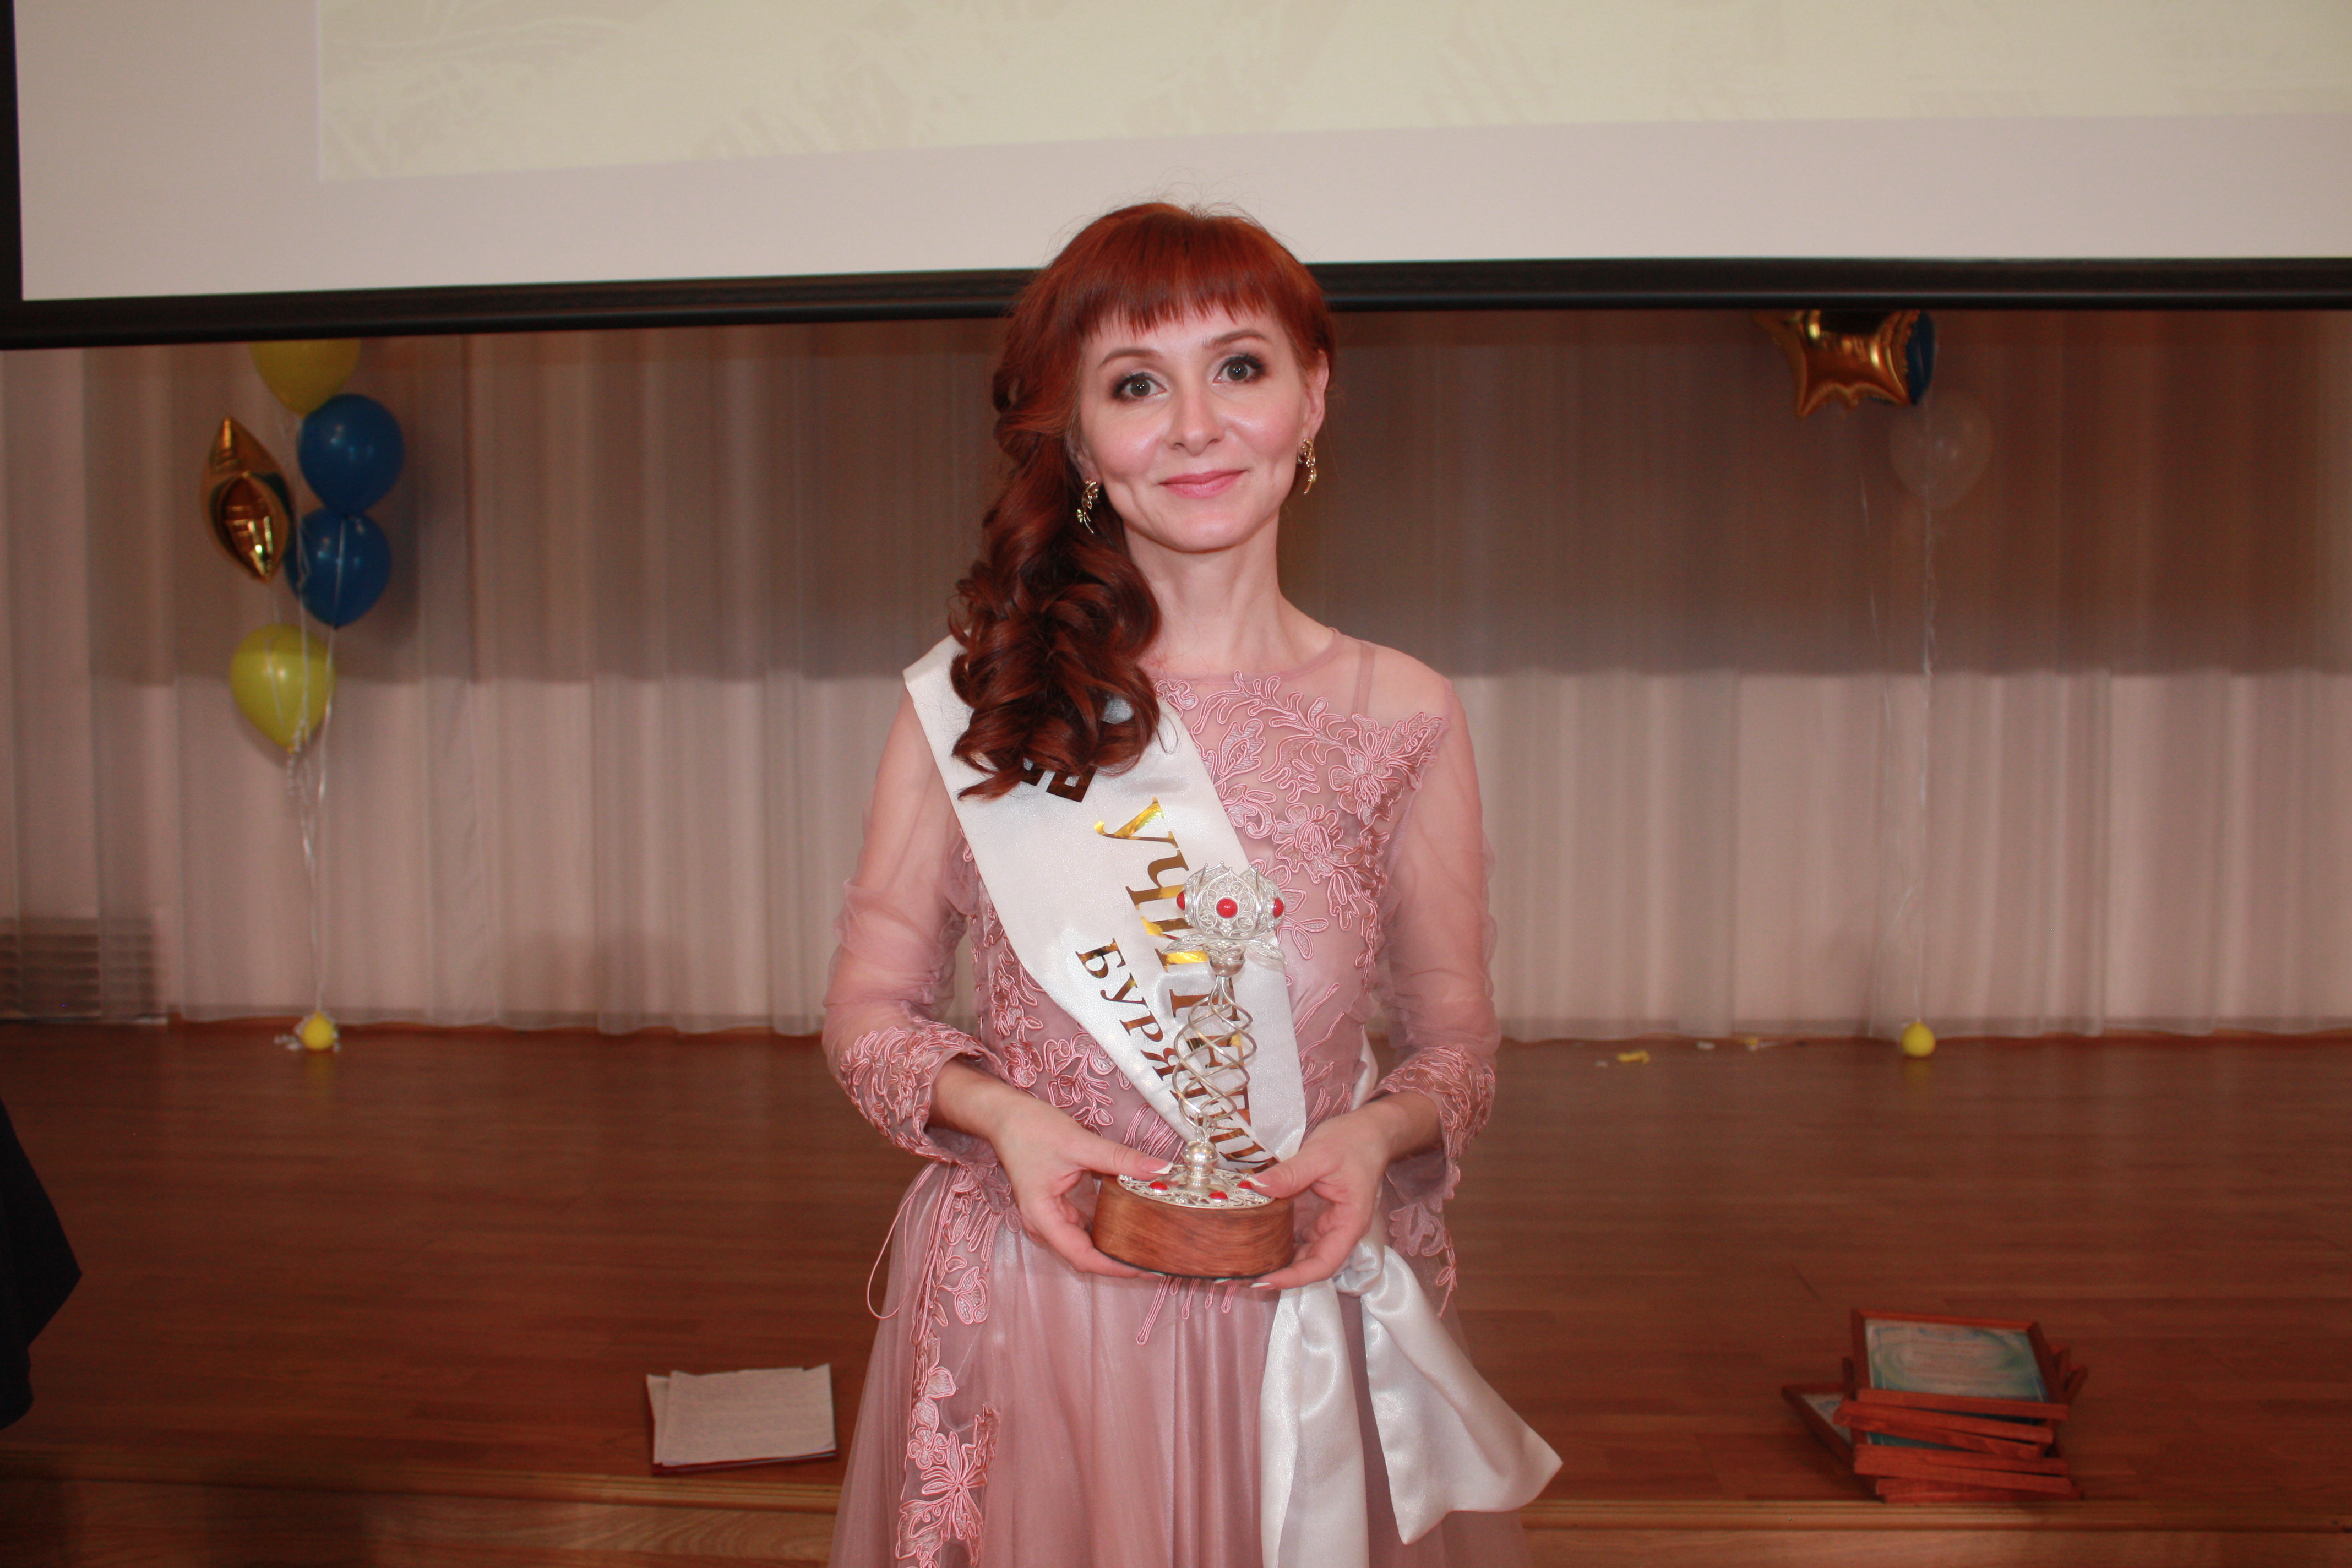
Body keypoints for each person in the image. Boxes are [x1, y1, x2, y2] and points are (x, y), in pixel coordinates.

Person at [824, 203, 1555, 1568]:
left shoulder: (1404, 713)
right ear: (1079, 436)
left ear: (1312, 397)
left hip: (1297, 1297)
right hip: (1040, 1300)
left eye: (1240, 367)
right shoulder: (979, 707)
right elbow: (868, 1015)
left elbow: (1455, 1048)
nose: (1198, 427)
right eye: (1136, 385)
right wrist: (1004, 1118)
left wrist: (1370, 1139)